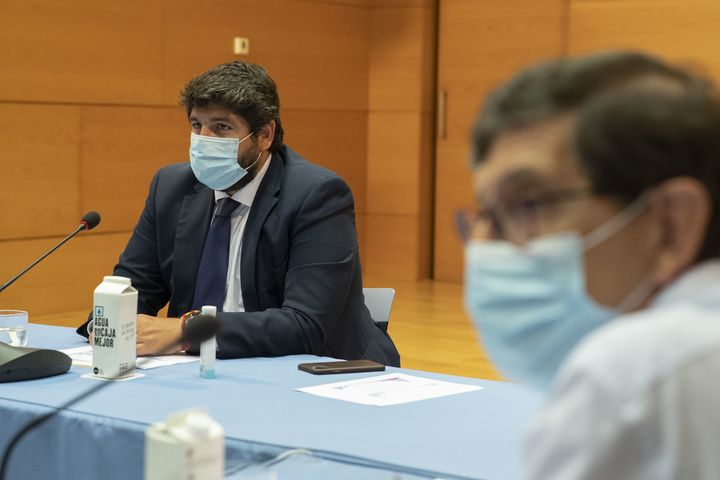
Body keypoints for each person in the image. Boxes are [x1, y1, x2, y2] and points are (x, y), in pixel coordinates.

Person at [462, 50, 720, 479]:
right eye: (486, 215)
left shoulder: (631, 373)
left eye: (528, 205)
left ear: (672, 225)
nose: (485, 247)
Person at [77, 61, 400, 367]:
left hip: (312, 369)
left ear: (264, 135)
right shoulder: (171, 186)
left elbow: (305, 325)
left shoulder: (316, 194)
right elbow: (135, 287)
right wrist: (106, 322)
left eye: (222, 127)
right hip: (193, 369)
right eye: (196, 124)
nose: (204, 139)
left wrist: (187, 332)